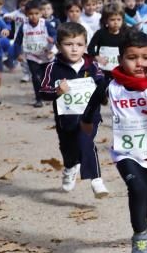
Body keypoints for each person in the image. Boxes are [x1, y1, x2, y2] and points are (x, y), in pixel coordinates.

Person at [80, 29, 147, 253]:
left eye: (145, 57)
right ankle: (140, 237)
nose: (139, 63)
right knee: (138, 190)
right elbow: (92, 106)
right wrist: (85, 124)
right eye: (132, 57)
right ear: (120, 59)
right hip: (125, 153)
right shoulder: (110, 85)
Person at [38, 22, 108, 197]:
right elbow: (43, 92)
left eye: (79, 45)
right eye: (69, 45)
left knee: (86, 142)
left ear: (85, 45)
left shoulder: (92, 66)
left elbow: (102, 85)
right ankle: (70, 168)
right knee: (68, 148)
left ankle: (96, 180)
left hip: (89, 116)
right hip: (65, 119)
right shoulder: (52, 68)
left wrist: (104, 95)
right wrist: (57, 92)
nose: (74, 49)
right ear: (59, 46)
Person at [15, 0, 57, 107]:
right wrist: (18, 53)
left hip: (47, 55)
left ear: (41, 13)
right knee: (36, 77)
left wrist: (53, 39)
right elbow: (17, 42)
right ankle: (39, 99)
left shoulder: (46, 24)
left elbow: (56, 35)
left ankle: (49, 94)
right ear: (26, 14)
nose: (33, 16)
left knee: (47, 77)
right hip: (32, 56)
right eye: (30, 14)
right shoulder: (24, 26)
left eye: (36, 13)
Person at [87, 1, 128, 73]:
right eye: (112, 19)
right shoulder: (100, 33)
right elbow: (90, 48)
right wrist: (96, 57)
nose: (116, 22)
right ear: (106, 20)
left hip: (119, 70)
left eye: (118, 19)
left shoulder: (125, 34)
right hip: (102, 70)